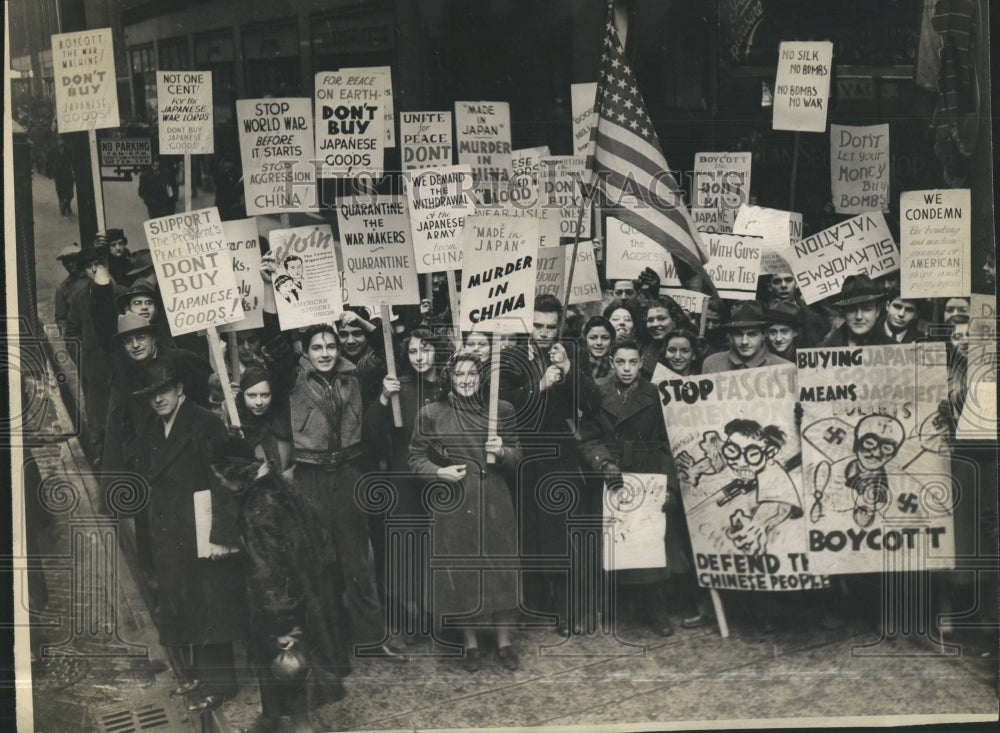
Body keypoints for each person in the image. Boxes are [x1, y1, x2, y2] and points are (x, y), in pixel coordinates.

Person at [265, 324, 402, 660]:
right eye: (316, 348)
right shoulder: (293, 378)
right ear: (305, 351)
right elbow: (275, 344)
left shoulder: (353, 377)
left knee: (357, 561)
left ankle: (371, 638)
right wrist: (270, 290)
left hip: (348, 476)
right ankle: (326, 641)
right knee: (317, 563)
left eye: (330, 346)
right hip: (309, 478)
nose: (324, 353)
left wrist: (383, 398)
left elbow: (388, 352)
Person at [209, 435, 350, 732]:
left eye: (220, 475)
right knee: (300, 681)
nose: (220, 483)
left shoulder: (256, 509)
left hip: (282, 611)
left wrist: (282, 626)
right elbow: (322, 545)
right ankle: (276, 720)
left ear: (233, 473)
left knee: (294, 689)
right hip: (308, 598)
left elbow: (267, 572)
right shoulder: (280, 489)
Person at [131, 359, 246, 713]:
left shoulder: (205, 423)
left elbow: (224, 479)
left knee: (210, 605)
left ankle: (221, 684)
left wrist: (221, 534)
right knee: (187, 604)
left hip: (201, 531)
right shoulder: (155, 426)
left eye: (163, 391)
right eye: (152, 394)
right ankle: (198, 675)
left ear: (179, 389)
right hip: (173, 532)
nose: (158, 399)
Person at [408, 350, 524, 672]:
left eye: (473, 373)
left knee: (501, 573)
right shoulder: (431, 413)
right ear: (449, 377)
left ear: (482, 377)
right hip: (455, 504)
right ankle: (470, 644)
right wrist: (437, 472)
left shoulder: (501, 410)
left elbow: (517, 455)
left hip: (494, 501)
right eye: (460, 374)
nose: (466, 380)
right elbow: (415, 457)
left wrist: (502, 452)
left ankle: (504, 642)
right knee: (463, 574)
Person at [578, 337, 680, 636]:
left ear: (641, 363)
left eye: (632, 362)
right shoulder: (596, 392)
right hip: (609, 479)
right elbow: (587, 436)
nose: (626, 368)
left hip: (644, 479)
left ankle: (655, 610)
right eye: (620, 362)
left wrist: (669, 487)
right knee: (601, 547)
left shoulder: (654, 394)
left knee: (646, 549)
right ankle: (592, 608)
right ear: (611, 362)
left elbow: (667, 444)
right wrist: (603, 462)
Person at [365, 328, 451, 640]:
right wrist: (384, 398)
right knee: (412, 547)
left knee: (441, 542)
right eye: (413, 351)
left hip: (441, 473)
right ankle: (418, 615)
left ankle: (444, 613)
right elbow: (372, 432)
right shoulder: (398, 385)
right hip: (405, 475)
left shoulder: (448, 384)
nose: (419, 357)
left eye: (425, 349)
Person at [65, 244, 125, 460]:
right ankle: (100, 455)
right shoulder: (79, 298)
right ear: (85, 271)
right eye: (89, 266)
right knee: (97, 410)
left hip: (121, 361)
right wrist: (84, 355)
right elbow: (71, 332)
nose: (94, 270)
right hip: (95, 365)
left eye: (98, 264)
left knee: (121, 409)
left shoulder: (121, 293)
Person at [702, 301, 791, 373]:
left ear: (764, 335)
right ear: (730, 336)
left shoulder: (784, 368)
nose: (744, 341)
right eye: (738, 334)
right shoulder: (711, 364)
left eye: (752, 334)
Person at [237, 366, 294, 475]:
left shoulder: (282, 423)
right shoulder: (237, 426)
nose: (259, 402)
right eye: (252, 395)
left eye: (265, 395)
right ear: (242, 395)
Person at [818, 275, 891, 348]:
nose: (859, 316)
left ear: (877, 312)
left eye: (866, 309)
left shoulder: (895, 348)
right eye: (852, 309)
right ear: (844, 312)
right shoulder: (822, 349)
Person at [765, 267, 831, 346]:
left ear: (796, 284)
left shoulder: (813, 315)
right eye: (777, 281)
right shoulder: (762, 314)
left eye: (788, 280)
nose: (783, 285)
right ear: (769, 287)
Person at [639, 296, 692, 380]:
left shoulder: (693, 347)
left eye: (661, 319)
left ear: (675, 320)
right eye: (650, 320)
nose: (655, 324)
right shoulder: (643, 353)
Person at [53, 245, 87, 337]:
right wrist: (70, 341)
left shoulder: (94, 278)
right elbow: (61, 319)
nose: (70, 264)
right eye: (66, 262)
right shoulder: (63, 288)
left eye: (73, 260)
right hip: (80, 337)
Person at [580, 316, 615, 383]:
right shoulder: (575, 363)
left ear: (612, 340)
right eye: (593, 338)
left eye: (605, 338)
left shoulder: (616, 366)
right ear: (585, 339)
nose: (599, 342)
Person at [47, 136, 74, 215]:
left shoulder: (68, 149)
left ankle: (67, 204)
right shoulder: (53, 150)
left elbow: (72, 160)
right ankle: (62, 205)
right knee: (59, 190)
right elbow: (50, 161)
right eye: (58, 140)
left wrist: (72, 170)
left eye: (61, 139)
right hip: (58, 174)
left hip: (67, 173)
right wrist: (50, 171)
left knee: (70, 193)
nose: (60, 141)